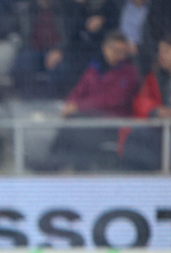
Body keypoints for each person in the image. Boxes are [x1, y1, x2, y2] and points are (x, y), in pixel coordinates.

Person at [51, 30, 140, 170]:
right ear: (105, 48)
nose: (119, 55)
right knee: (73, 120)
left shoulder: (129, 73)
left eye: (123, 51)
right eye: (115, 50)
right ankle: (53, 161)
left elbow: (111, 99)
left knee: (80, 122)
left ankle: (71, 167)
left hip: (114, 122)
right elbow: (80, 89)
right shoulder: (94, 67)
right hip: (89, 116)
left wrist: (78, 106)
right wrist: (69, 103)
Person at [121, 33, 171, 171]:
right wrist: (156, 111)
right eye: (159, 51)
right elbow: (141, 100)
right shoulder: (155, 77)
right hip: (162, 128)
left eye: (167, 51)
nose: (161, 55)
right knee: (136, 135)